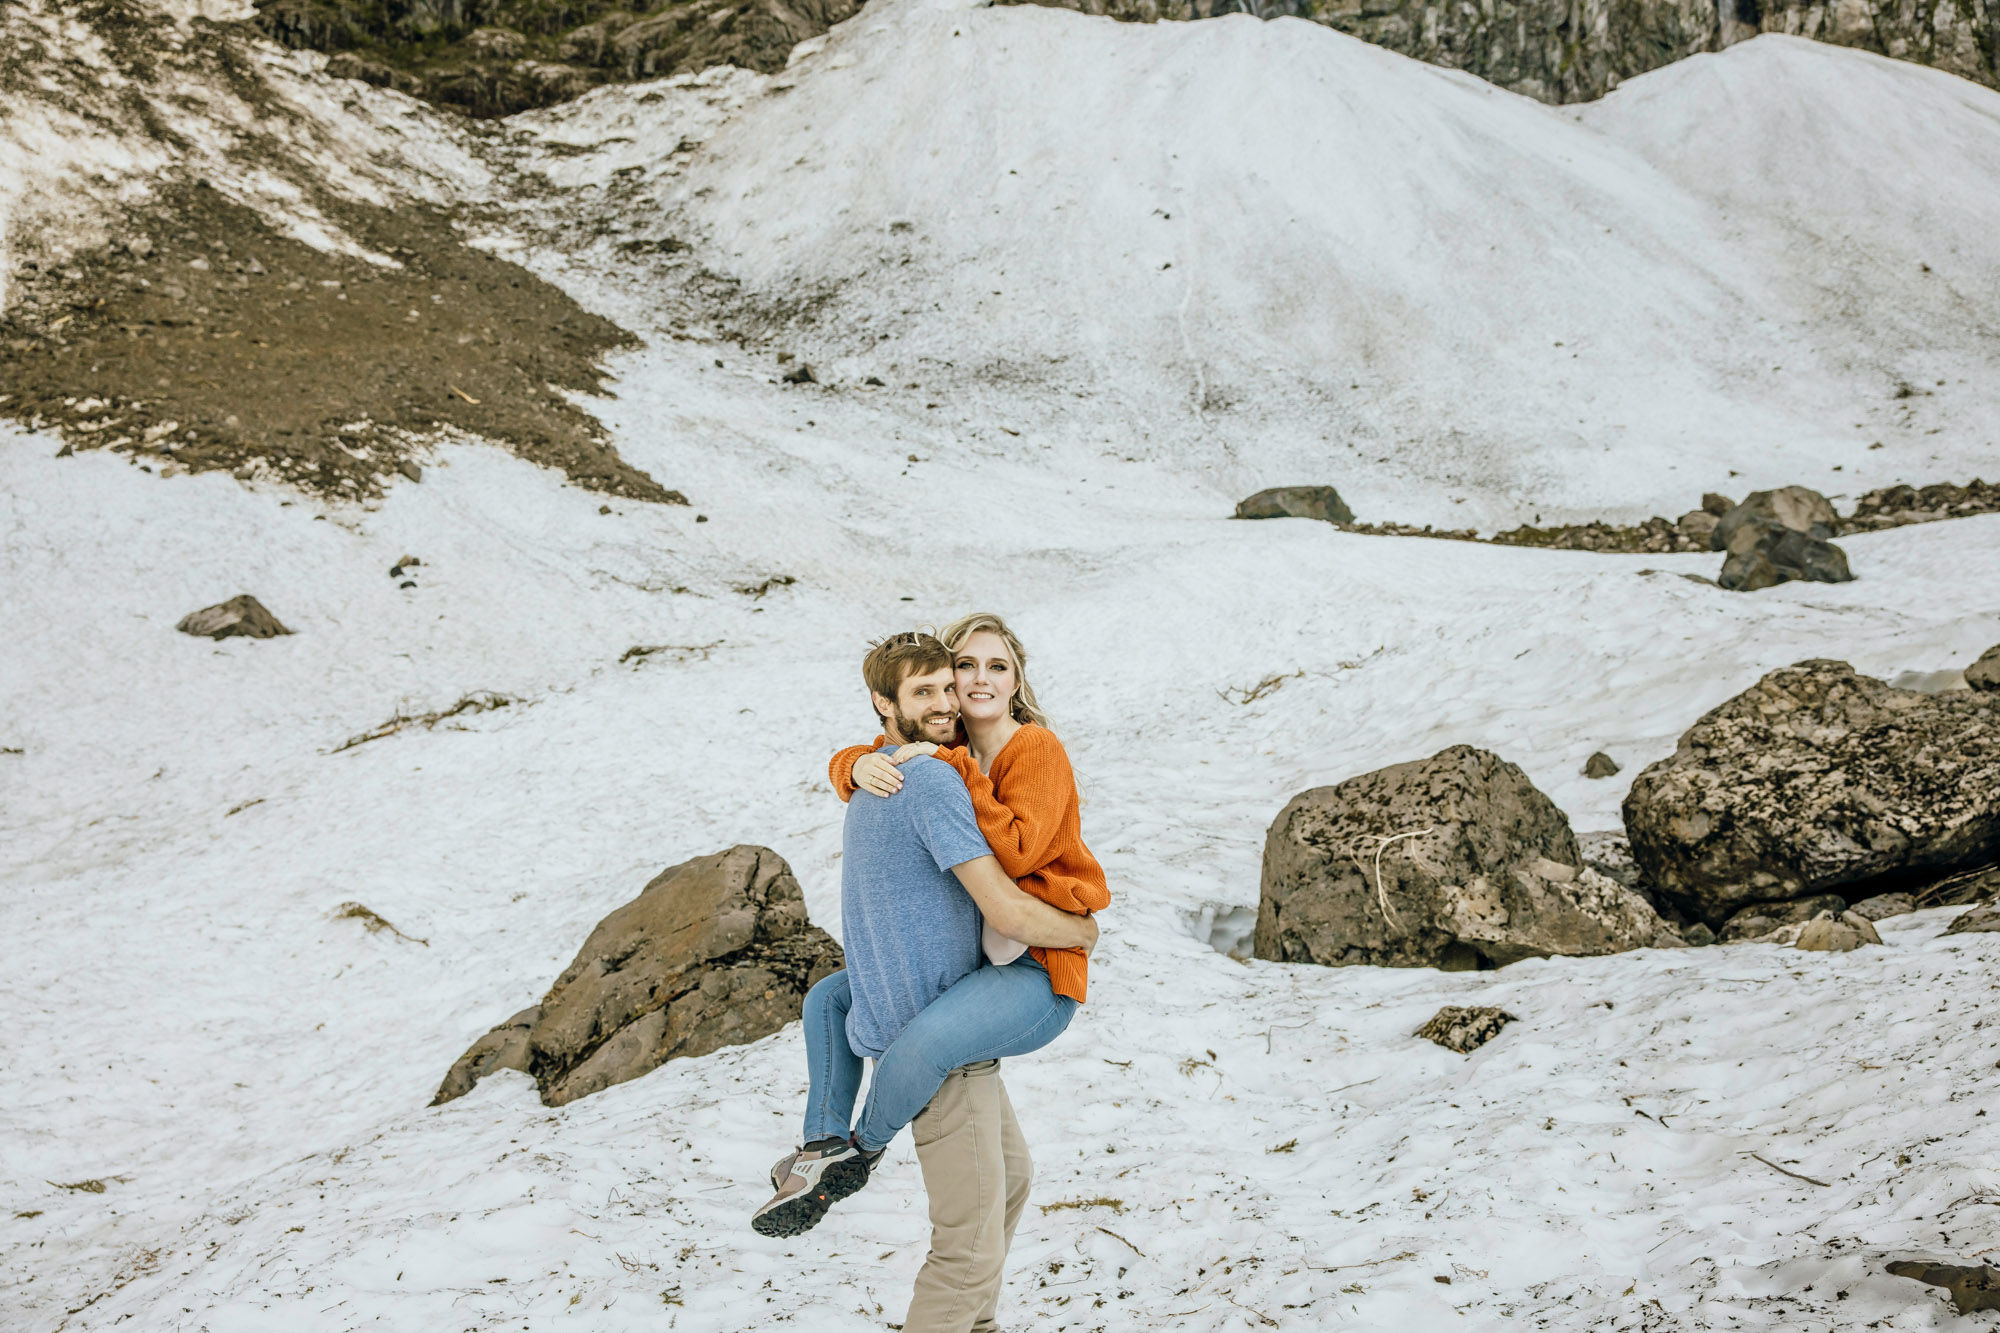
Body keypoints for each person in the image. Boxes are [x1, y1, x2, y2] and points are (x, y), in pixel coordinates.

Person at [752, 628, 1103, 1332]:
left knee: (993, 1198)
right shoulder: (928, 763)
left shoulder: (1019, 748)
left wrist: (1082, 929)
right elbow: (903, 773)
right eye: (947, 677)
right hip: (981, 970)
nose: (959, 691)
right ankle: (844, 1149)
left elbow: (1025, 850)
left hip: (1032, 957)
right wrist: (856, 762)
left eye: (985, 670)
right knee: (973, 1236)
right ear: (886, 703)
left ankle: (845, 1147)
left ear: (1016, 678)